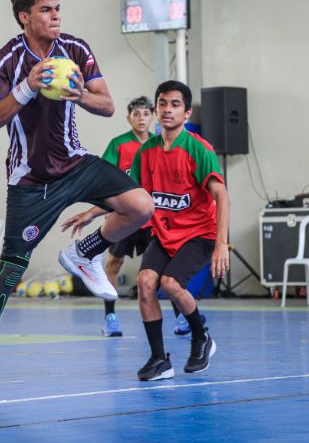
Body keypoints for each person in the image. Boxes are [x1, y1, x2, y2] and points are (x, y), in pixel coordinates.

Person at [0, 0, 154, 397]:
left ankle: (83, 254)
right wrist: (29, 86)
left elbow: (107, 105)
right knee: (10, 271)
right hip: (30, 179)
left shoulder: (76, 49)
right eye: (46, 10)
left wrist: (76, 94)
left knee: (141, 206)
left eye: (57, 8)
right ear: (25, 17)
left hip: (76, 163)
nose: (55, 15)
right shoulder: (6, 60)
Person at [64, 81, 230, 380]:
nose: (167, 110)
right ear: (156, 109)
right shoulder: (146, 153)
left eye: (175, 104)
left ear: (187, 112)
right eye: (163, 104)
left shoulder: (198, 149)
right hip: (165, 233)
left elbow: (222, 196)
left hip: (199, 234)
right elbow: (129, 197)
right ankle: (159, 359)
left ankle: (200, 336)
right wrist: (91, 212)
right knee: (145, 282)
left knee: (170, 283)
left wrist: (220, 244)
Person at [97, 96, 156, 337]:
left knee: (158, 266)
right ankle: (110, 317)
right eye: (137, 114)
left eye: (145, 114)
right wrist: (107, 208)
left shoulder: (158, 144)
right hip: (124, 215)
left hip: (151, 218)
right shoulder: (118, 144)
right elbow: (103, 177)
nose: (141, 118)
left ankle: (178, 318)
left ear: (152, 117)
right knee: (114, 263)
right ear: (128, 117)